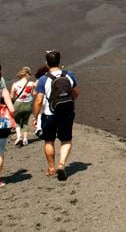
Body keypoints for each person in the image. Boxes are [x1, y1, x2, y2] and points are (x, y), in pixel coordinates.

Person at [33, 50, 79, 181]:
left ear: (46, 63)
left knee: (49, 141)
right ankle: (61, 164)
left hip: (49, 114)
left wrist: (35, 116)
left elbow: (38, 100)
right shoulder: (69, 75)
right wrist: (69, 103)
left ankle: (51, 168)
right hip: (66, 113)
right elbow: (76, 92)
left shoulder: (43, 79)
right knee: (66, 140)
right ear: (59, 62)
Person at [10, 67, 35, 147]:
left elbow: (11, 96)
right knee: (25, 121)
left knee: (16, 121)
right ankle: (25, 139)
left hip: (18, 103)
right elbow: (34, 93)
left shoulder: (15, 84)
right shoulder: (31, 84)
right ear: (27, 74)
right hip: (29, 104)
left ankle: (19, 136)